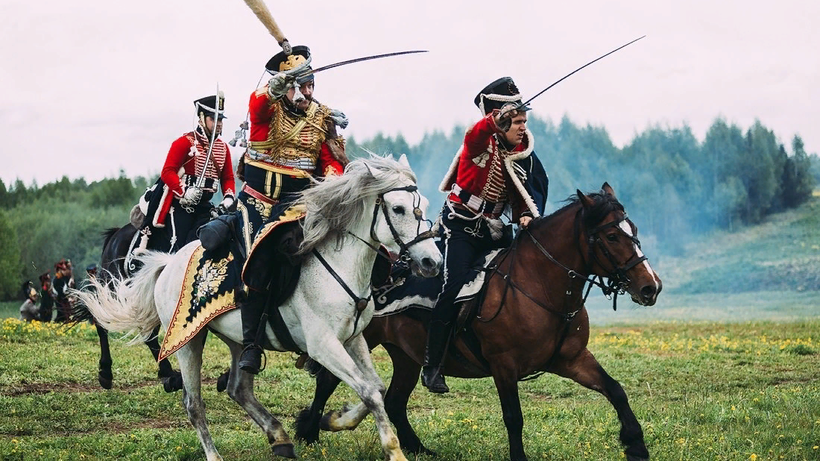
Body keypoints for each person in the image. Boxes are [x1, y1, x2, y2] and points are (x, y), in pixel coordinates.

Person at [421, 77, 549, 393]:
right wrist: (494, 121)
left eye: (523, 120)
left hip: (495, 228)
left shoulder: (523, 152)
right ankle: (433, 364)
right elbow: (475, 133)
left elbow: (522, 191)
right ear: (499, 120)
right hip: (462, 225)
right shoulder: (479, 141)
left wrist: (524, 214)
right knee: (451, 287)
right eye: (516, 121)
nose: (522, 127)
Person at [235, 45, 349, 374]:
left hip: (301, 205)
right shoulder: (268, 108)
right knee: (263, 257)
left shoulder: (322, 117)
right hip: (260, 202)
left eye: (310, 85)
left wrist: (328, 185)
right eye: (299, 86)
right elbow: (256, 107)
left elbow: (332, 162)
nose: (305, 93)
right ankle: (252, 343)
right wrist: (276, 85)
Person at [137, 93, 237, 253]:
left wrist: (229, 197)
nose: (219, 124)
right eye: (214, 119)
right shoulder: (184, 143)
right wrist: (184, 192)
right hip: (182, 206)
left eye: (220, 120)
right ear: (201, 118)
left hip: (205, 208)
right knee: (178, 249)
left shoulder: (223, 148)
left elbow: (228, 178)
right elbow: (167, 172)